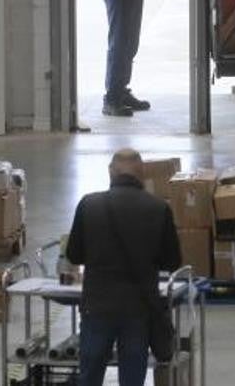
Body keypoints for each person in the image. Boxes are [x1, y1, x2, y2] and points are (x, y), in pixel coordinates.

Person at [66, 149, 182, 386]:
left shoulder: (89, 204)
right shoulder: (158, 208)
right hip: (137, 308)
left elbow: (74, 255)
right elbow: (172, 262)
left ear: (111, 171)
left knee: (90, 373)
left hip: (97, 306)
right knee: (132, 376)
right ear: (142, 174)